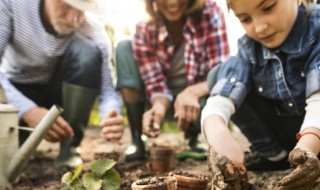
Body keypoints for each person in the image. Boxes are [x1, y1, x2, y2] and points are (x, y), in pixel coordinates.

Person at [201, 0, 320, 189]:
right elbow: (221, 98)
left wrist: (307, 148)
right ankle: (274, 155)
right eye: (245, 19)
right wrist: (218, 134)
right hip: (287, 131)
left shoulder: (316, 27)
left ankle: (306, 158)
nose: (260, 27)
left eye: (268, 8)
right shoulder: (249, 47)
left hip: (315, 131)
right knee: (218, 75)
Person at [0, 0, 124, 168]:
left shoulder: (93, 31)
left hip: (58, 96)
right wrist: (28, 110)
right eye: (66, 6)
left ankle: (69, 148)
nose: (74, 19)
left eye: (82, 10)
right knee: (8, 157)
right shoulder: (11, 5)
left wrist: (111, 113)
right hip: (14, 94)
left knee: (86, 52)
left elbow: (107, 91)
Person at [115, 0, 229, 161]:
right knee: (124, 47)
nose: (173, 2)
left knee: (221, 94)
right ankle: (137, 138)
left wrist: (192, 92)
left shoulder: (210, 13)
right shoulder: (144, 28)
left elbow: (220, 74)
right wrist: (159, 106)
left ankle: (193, 136)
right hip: (162, 102)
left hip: (198, 101)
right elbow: (155, 84)